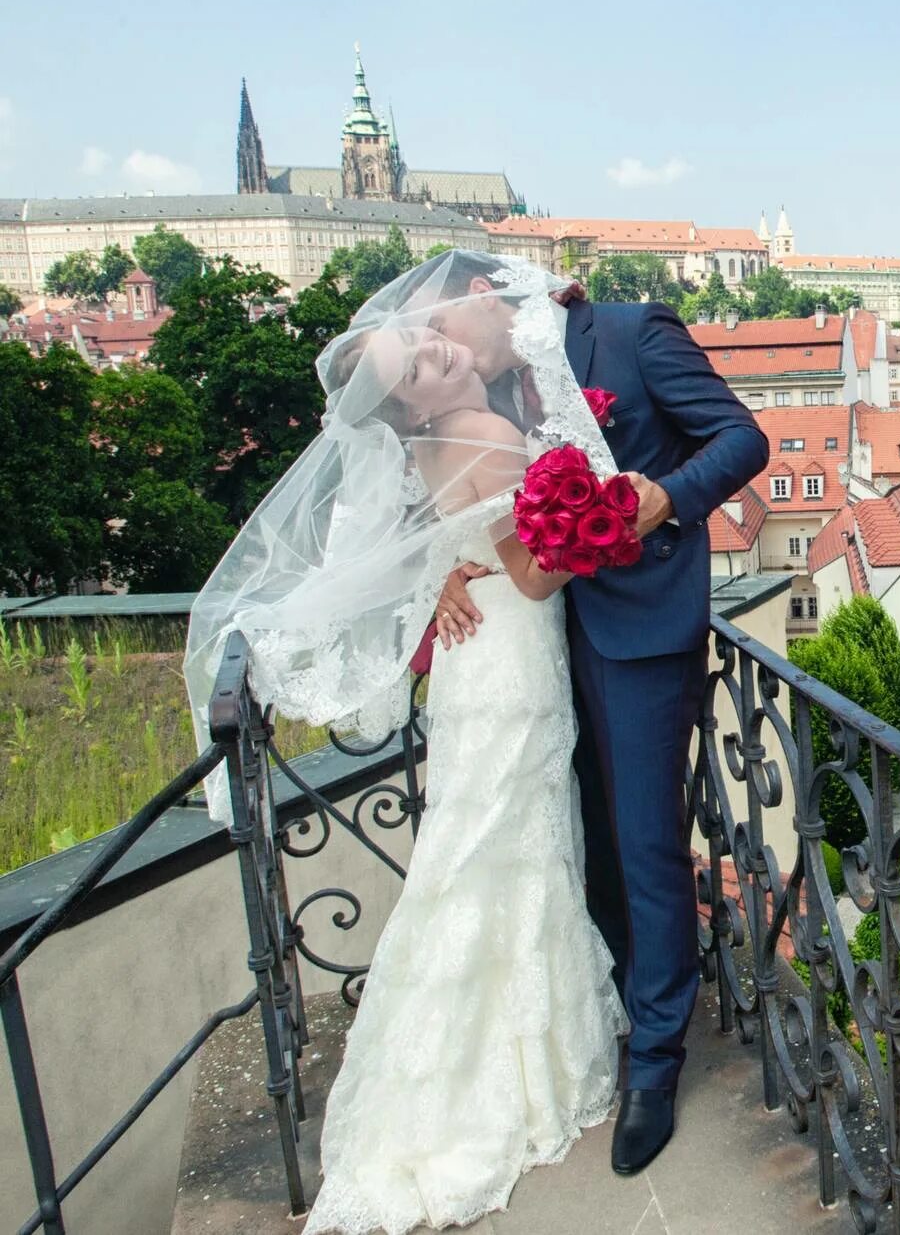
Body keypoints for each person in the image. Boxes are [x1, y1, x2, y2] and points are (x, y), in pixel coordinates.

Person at [182, 253, 639, 1233]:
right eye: (424, 361)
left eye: (430, 338)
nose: (440, 346)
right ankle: (511, 1067)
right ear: (419, 409)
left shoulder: (434, 444)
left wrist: (452, 572)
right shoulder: (480, 430)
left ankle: (454, 1052)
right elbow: (533, 577)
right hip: (514, 665)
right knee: (510, 847)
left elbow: (452, 547)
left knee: (476, 848)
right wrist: (608, 519)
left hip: (478, 672)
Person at [426, 254, 768, 1176]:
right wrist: (457, 571)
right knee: (587, 839)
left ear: (481, 296)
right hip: (540, 643)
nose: (441, 348)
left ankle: (655, 1060)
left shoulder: (629, 332)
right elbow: (486, 509)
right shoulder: (490, 390)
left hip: (642, 632)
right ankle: (619, 998)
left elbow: (741, 441)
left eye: (442, 329)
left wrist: (668, 499)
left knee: (648, 846)